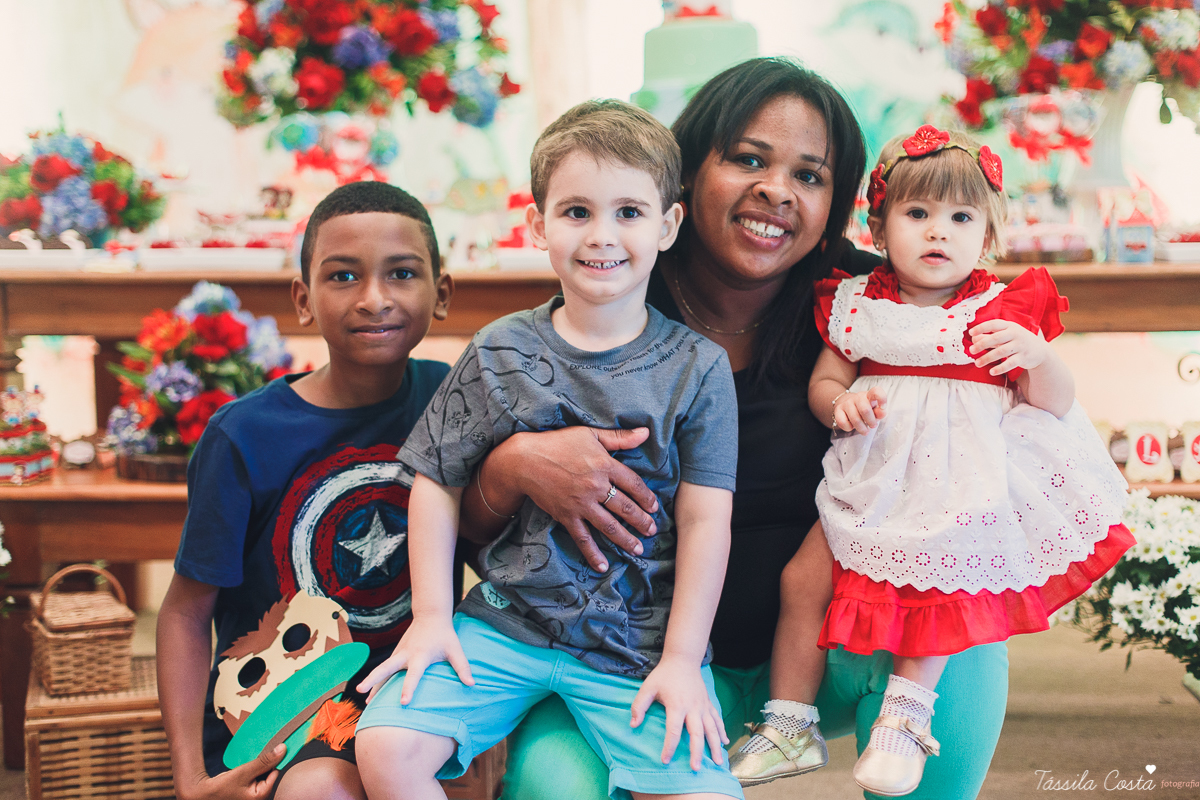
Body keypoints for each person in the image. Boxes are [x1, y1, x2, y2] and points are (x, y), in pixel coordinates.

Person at [454, 59, 1018, 800]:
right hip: (624, 663)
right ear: (683, 179)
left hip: (826, 653)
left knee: (961, 627)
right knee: (557, 785)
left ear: (838, 209)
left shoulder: (870, 308)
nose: (777, 191)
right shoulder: (599, 291)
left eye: (810, 177)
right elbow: (465, 529)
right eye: (748, 159)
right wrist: (516, 465)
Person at [353, 99, 743, 800]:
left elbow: (707, 521)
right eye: (576, 212)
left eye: (628, 211)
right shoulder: (499, 348)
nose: (602, 236)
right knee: (385, 747)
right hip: (505, 624)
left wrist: (683, 659)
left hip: (638, 646)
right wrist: (434, 618)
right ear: (538, 225)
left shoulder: (698, 368)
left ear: (668, 224)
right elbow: (434, 482)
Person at [729, 126, 1135, 796]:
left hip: (959, 493)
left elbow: (1054, 401)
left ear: (987, 234)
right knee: (803, 578)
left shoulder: (999, 309)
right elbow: (827, 380)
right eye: (917, 214)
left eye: (960, 217)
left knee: (939, 598)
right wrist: (839, 406)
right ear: (881, 227)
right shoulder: (857, 302)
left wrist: (1039, 358)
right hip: (872, 485)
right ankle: (790, 722)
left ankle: (906, 718)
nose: (937, 232)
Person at [157, 181, 454, 800]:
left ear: (441, 293)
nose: (375, 299)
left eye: (401, 273)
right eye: (343, 277)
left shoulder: (452, 401)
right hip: (279, 712)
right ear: (303, 300)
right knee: (322, 789)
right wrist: (189, 779)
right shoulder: (244, 435)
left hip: (409, 699)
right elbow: (186, 612)